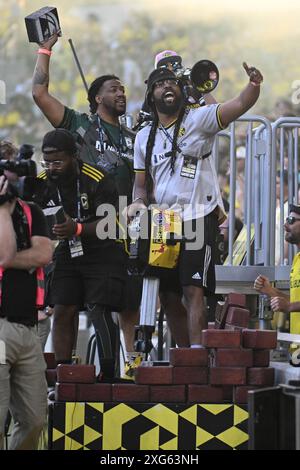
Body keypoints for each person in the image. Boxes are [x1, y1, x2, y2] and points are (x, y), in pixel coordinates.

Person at [128, 61, 263, 347]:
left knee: (194, 290)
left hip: (199, 216)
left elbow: (238, 104)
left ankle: (198, 359)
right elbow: (141, 186)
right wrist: (137, 204)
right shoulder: (142, 137)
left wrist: (253, 86)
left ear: (181, 90)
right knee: (167, 295)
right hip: (164, 222)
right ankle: (183, 357)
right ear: (151, 95)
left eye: (172, 82)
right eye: (160, 83)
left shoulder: (198, 119)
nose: (167, 86)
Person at [31, 34, 142, 376]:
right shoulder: (79, 125)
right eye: (113, 89)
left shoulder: (133, 136)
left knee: (125, 302)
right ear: (97, 98)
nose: (121, 93)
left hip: (121, 226)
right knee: (70, 303)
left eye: (123, 89)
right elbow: (39, 93)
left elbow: (144, 179)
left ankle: (131, 364)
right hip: (81, 230)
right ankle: (65, 371)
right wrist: (45, 49)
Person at [24, 128, 128, 378]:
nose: (52, 168)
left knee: (98, 309)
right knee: (62, 308)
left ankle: (109, 374)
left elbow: (109, 225)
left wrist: (77, 227)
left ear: (74, 156)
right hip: (68, 250)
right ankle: (65, 374)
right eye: (47, 162)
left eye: (58, 162)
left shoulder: (98, 178)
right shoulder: (41, 182)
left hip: (103, 250)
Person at [0, 174, 52, 450]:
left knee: (34, 419)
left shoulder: (32, 211)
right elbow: (6, 254)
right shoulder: (4, 212)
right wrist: (3, 212)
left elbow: (43, 254)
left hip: (29, 328)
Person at [254, 204, 300, 336]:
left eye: (291, 221)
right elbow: (295, 301)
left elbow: (292, 305)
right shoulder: (297, 259)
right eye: (286, 220)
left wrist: (289, 307)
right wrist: (270, 290)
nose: (285, 225)